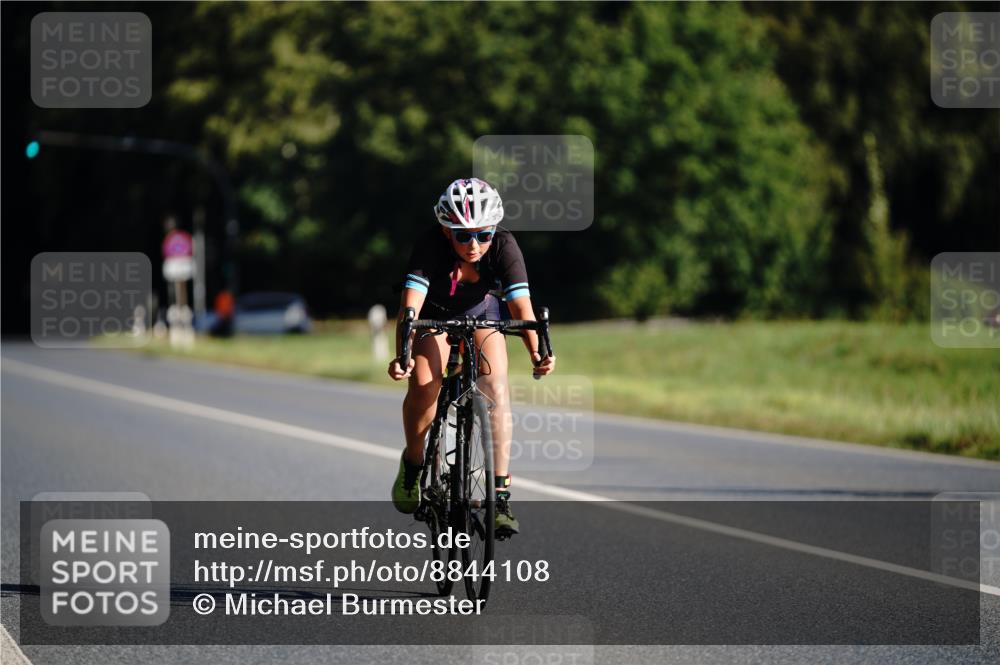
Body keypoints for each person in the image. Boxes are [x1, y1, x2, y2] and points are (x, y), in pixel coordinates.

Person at [387, 178, 556, 537]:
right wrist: (403, 352)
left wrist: (536, 351)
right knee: (424, 385)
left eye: (484, 234)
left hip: (482, 312)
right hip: (434, 313)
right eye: (463, 235)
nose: (474, 244)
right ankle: (414, 463)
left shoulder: (505, 245)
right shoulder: (430, 244)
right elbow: (411, 304)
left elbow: (519, 304)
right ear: (446, 230)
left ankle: (500, 496)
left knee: (495, 386)